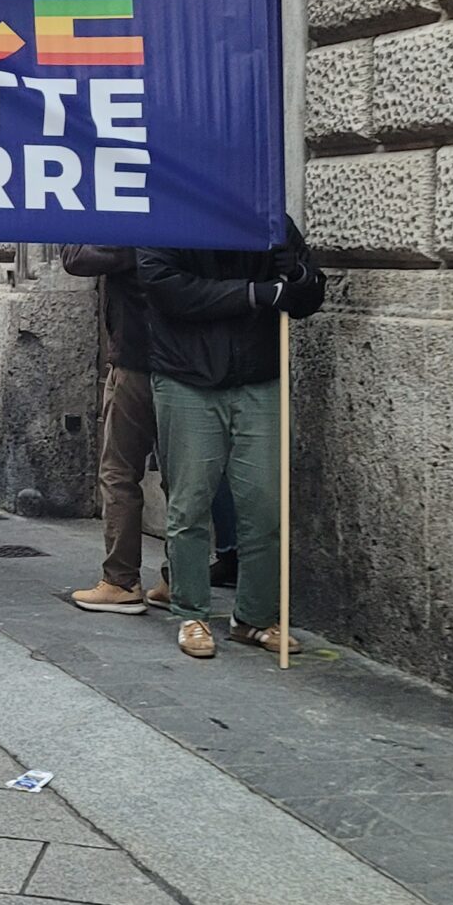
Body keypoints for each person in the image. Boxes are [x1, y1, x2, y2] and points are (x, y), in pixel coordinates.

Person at [138, 219, 324, 660]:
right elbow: (165, 287)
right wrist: (253, 294)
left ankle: (255, 617)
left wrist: (297, 274)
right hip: (187, 376)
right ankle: (192, 612)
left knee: (266, 503)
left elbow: (309, 296)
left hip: (259, 375)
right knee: (190, 501)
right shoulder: (170, 216)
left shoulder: (270, 219)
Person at [63, 242, 162, 614]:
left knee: (119, 471)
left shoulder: (131, 224)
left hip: (137, 359)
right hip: (186, 360)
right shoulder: (185, 218)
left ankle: (121, 581)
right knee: (184, 481)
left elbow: (75, 257)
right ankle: (182, 579)